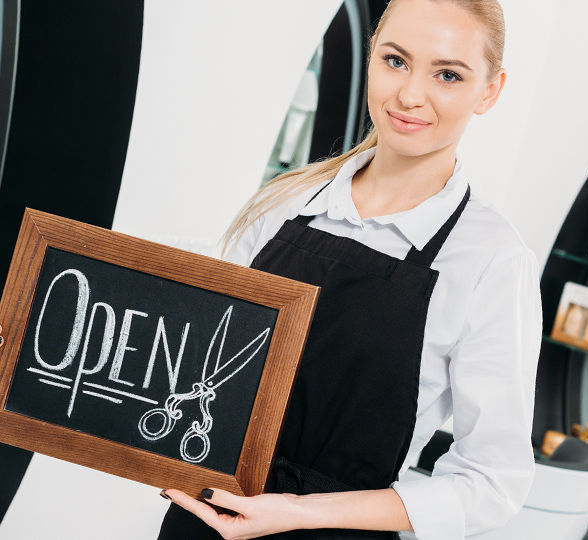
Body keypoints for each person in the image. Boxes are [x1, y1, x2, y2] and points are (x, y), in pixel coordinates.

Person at [157, 0, 542, 538]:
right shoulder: (283, 204)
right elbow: (195, 364)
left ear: (490, 90)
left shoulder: (492, 261)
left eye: (448, 74)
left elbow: (491, 484)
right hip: (203, 518)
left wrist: (298, 513)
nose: (410, 95)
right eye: (395, 61)